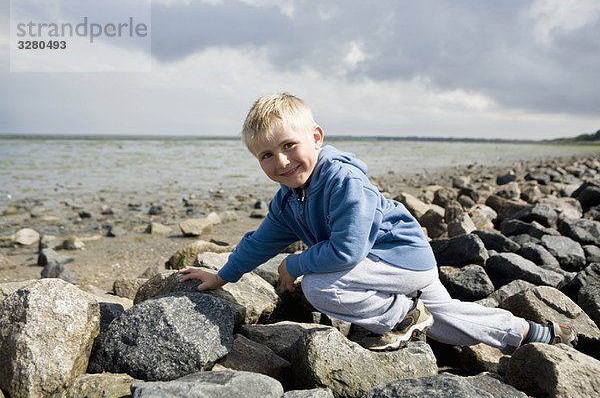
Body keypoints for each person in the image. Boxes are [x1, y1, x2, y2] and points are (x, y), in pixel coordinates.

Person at [180, 92, 577, 352]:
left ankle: (402, 316)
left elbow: (346, 251)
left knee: (319, 284)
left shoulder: (343, 180)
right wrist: (222, 276)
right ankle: (534, 334)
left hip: (402, 260)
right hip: (389, 270)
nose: (281, 161)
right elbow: (258, 242)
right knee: (448, 322)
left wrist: (294, 264)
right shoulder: (289, 201)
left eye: (289, 146)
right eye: (266, 155)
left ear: (316, 137)